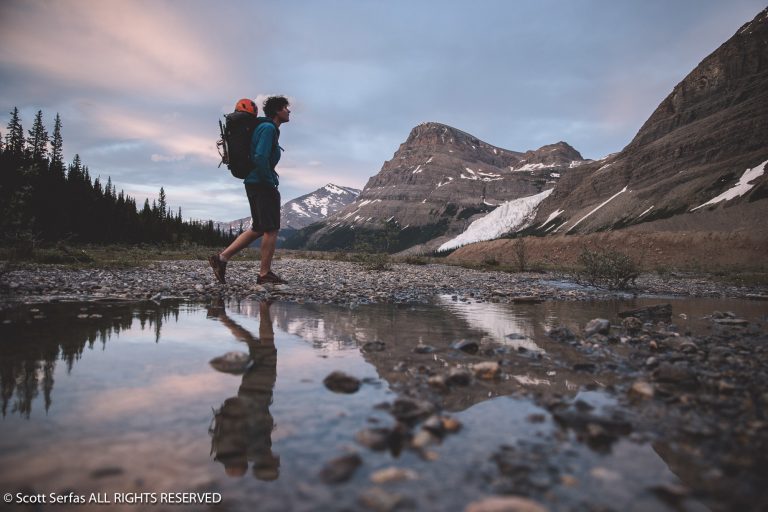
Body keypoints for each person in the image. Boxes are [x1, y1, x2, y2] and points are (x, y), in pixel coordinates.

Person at [209, 95, 291, 285]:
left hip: (253, 181)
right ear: (277, 111)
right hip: (262, 183)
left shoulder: (265, 127)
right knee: (271, 229)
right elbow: (260, 156)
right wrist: (269, 180)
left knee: (258, 227)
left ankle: (221, 259)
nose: (289, 111)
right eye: (286, 108)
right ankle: (264, 274)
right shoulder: (268, 128)